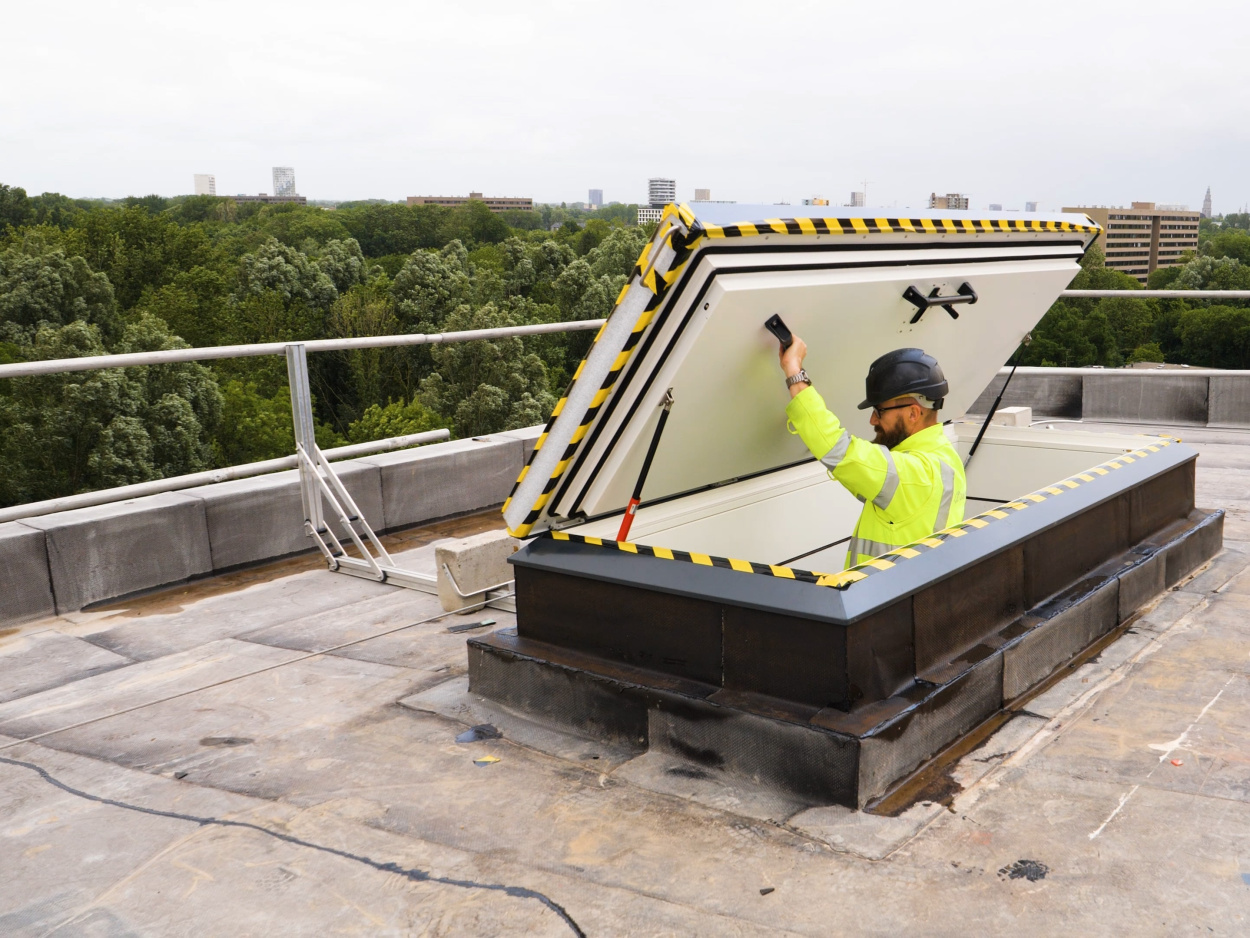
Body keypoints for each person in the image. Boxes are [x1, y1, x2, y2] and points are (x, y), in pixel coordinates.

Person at [780, 337, 966, 568]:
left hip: (885, 599)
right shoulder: (944, 455)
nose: (872, 420)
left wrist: (794, 370)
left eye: (879, 411)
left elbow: (841, 451)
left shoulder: (914, 475)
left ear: (913, 414)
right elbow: (860, 473)